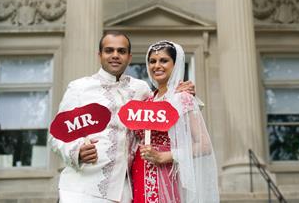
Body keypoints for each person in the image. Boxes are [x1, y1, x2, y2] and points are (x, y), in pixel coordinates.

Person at [49, 32, 195, 203]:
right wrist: (77, 151)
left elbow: (162, 103)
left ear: (129, 57)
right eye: (109, 50)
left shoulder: (140, 89)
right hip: (82, 189)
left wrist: (183, 92)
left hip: (125, 191)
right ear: (100, 55)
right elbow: (56, 135)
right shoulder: (80, 88)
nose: (115, 55)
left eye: (121, 51)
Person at [131, 41, 219, 203]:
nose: (157, 65)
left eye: (163, 60)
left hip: (166, 173)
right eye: (152, 61)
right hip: (138, 172)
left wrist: (165, 156)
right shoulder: (146, 100)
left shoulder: (183, 98)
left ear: (176, 63)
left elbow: (204, 145)